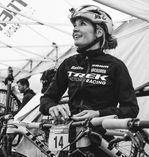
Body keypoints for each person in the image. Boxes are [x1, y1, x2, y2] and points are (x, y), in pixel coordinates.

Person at [39, 5, 139, 156]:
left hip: (101, 140)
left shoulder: (115, 66)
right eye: (75, 25)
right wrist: (52, 107)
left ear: (99, 32)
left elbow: (131, 108)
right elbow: (47, 98)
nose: (75, 29)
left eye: (82, 24)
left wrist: (98, 113)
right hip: (68, 138)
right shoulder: (68, 63)